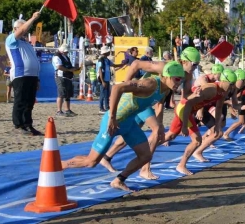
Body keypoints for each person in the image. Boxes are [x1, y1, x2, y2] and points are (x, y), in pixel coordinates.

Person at [62, 62, 186, 191]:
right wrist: (112, 117)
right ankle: (62, 164)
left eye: (181, 79)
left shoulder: (166, 89)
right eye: (176, 79)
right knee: (91, 162)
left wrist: (159, 126)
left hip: (129, 123)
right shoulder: (150, 84)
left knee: (145, 156)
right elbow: (117, 88)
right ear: (165, 76)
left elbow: (159, 105)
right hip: (114, 122)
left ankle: (119, 180)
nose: (179, 82)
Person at [6, 12, 42, 136]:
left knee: (29, 102)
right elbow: (22, 30)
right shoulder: (11, 40)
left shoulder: (26, 43)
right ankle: (19, 124)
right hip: (21, 74)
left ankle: (28, 124)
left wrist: (37, 79)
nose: (26, 30)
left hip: (31, 76)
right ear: (16, 29)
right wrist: (32, 18)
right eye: (23, 27)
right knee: (20, 101)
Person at [53, 44, 78, 117]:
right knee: (61, 93)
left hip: (68, 77)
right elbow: (59, 67)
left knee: (68, 94)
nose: (67, 53)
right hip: (61, 76)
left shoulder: (66, 57)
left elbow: (68, 66)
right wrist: (69, 70)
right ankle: (59, 111)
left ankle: (67, 110)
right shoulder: (56, 56)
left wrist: (74, 68)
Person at [97, 46, 123, 114]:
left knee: (107, 94)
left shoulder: (107, 60)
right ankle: (101, 108)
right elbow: (100, 70)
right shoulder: (101, 60)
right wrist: (102, 81)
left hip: (107, 79)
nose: (109, 52)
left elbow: (113, 65)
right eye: (108, 51)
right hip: (103, 79)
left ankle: (107, 107)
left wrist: (122, 64)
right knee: (103, 94)